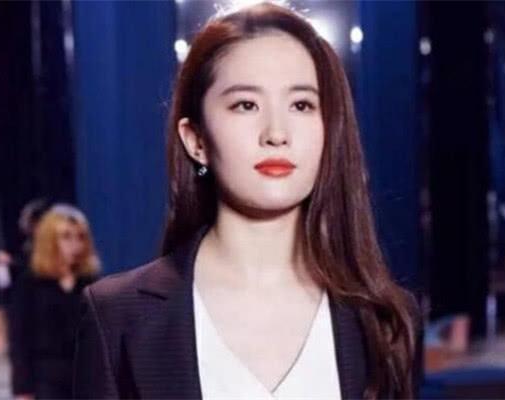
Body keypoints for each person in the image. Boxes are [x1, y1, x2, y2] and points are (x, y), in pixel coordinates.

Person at [74, 3, 420, 399]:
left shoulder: (383, 320)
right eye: (246, 105)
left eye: (301, 105)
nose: (276, 133)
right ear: (196, 140)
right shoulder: (119, 317)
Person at [9, 205, 100, 399]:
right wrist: (22, 388)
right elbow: (19, 337)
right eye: (66, 237)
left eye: (80, 237)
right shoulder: (30, 282)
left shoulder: (90, 282)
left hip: (86, 378)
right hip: (46, 380)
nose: (75, 244)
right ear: (49, 240)